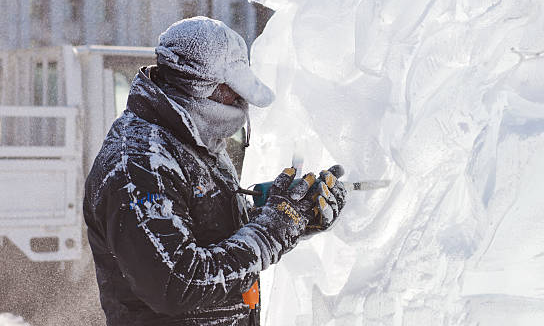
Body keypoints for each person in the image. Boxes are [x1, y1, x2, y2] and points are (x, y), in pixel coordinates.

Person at [83, 17, 347, 326]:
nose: (240, 101)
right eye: (231, 90)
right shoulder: (140, 165)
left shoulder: (192, 141)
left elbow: (204, 230)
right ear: (196, 86)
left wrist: (289, 215)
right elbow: (176, 282)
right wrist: (271, 231)